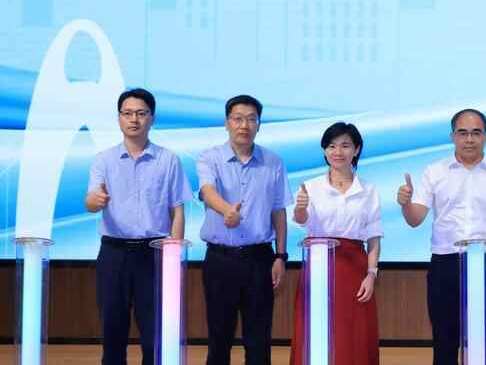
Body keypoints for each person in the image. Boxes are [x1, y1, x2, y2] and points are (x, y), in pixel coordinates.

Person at [396, 108, 486, 365]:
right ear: (452, 136)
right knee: (444, 338)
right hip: (445, 262)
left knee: (483, 340)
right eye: (462, 133)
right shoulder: (434, 172)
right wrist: (406, 204)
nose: (469, 139)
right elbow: (415, 219)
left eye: (476, 133)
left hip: (485, 263)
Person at [84, 88, 192, 365]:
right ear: (119, 118)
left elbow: (177, 210)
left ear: (152, 118)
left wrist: (174, 256)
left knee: (155, 330)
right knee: (113, 327)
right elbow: (91, 201)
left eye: (141, 113)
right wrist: (96, 200)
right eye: (128, 113)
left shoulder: (168, 159)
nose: (134, 119)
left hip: (154, 253)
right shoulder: (104, 159)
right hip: (114, 253)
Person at [197, 94, 292, 365]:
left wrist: (280, 256)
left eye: (252, 119)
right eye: (238, 119)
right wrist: (227, 210)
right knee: (219, 337)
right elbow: (207, 191)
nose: (244, 125)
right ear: (227, 123)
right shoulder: (209, 158)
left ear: (259, 125)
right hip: (220, 259)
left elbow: (278, 211)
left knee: (258, 339)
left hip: (259, 260)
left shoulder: (273, 162)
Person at [289, 122, 382, 365]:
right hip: (319, 265)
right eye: (331, 146)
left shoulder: (368, 189)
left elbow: (373, 238)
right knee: (318, 331)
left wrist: (371, 274)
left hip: (354, 268)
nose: (337, 152)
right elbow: (302, 220)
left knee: (353, 333)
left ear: (357, 149)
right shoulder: (311, 187)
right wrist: (300, 208)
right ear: (324, 150)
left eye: (345, 146)